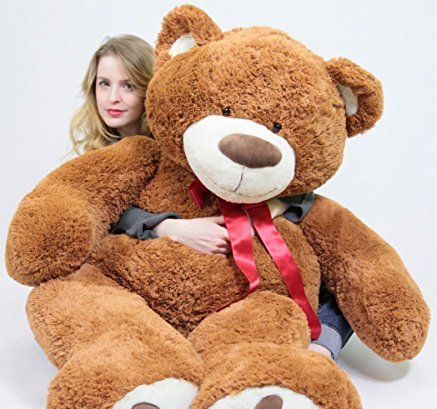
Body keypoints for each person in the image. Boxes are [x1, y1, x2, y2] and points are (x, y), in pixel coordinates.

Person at [70, 35, 353, 360]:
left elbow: (298, 192)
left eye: (128, 86)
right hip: (156, 267)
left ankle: (323, 341)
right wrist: (168, 227)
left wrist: (263, 212)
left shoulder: (183, 142)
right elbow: (98, 211)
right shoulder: (96, 157)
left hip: (222, 253)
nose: (113, 97)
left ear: (150, 86)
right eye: (104, 84)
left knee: (335, 263)